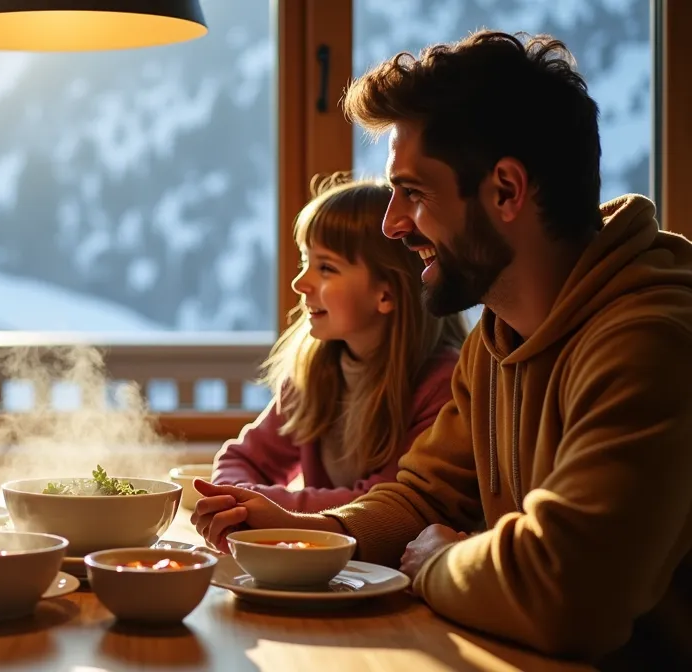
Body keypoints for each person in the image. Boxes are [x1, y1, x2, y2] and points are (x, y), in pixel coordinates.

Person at [192, 31, 692, 667]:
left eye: (415, 194)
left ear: (506, 191)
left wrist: (439, 562)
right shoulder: (498, 337)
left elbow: (571, 592)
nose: (393, 224)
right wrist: (310, 533)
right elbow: (425, 497)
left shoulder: (650, 342)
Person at [211, 176, 464, 512]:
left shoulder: (442, 388)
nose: (300, 283)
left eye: (326, 268)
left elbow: (383, 505)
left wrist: (260, 505)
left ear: (386, 294)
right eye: (305, 262)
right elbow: (243, 460)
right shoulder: (312, 376)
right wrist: (238, 500)